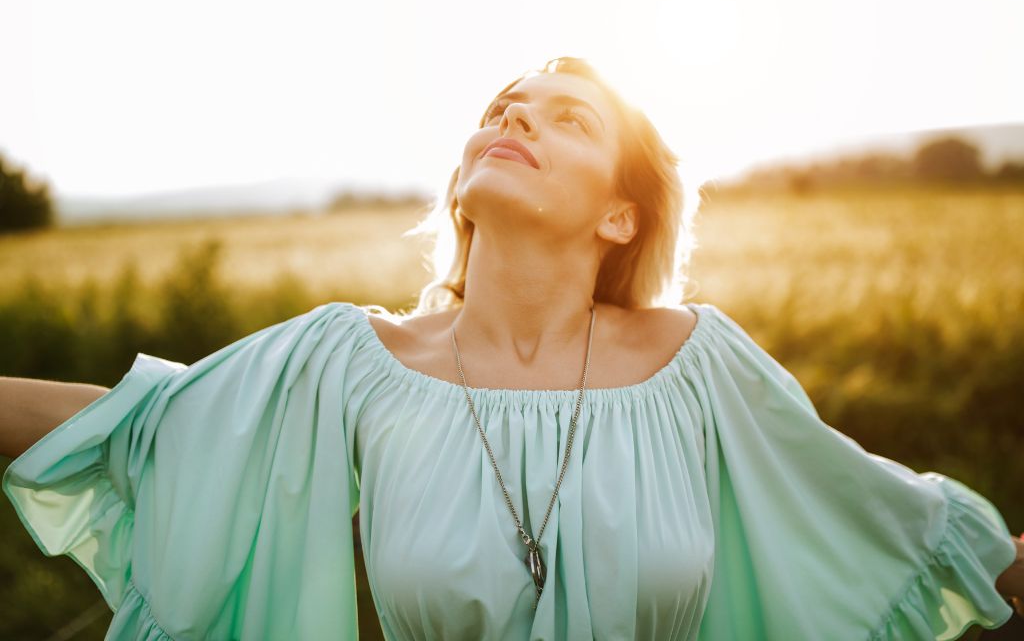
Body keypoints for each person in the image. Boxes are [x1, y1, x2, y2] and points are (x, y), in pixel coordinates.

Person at [2, 55, 1022, 640]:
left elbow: (879, 521)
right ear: (459, 185)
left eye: (564, 119)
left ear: (620, 218)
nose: (514, 117)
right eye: (500, 110)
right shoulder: (352, 362)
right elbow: (151, 429)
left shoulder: (699, 366)